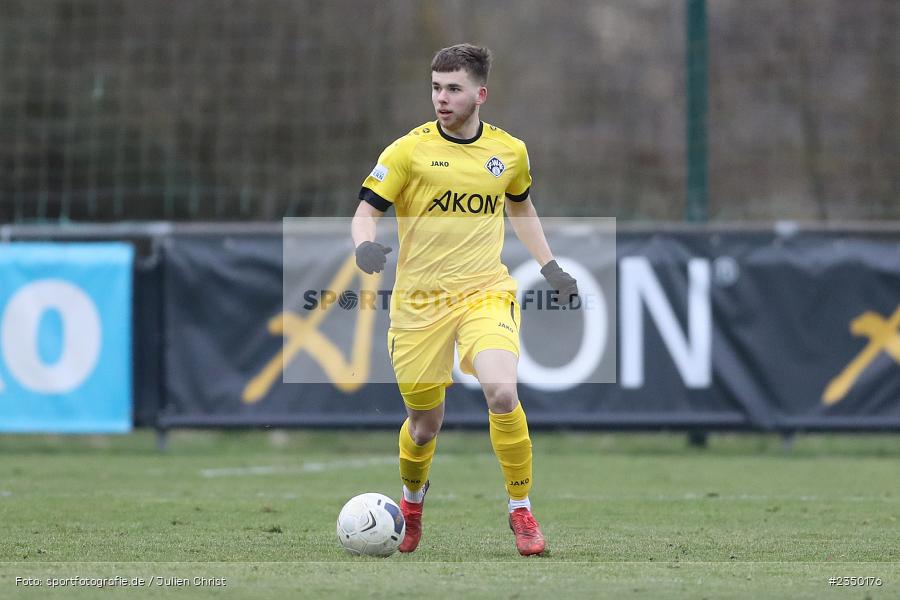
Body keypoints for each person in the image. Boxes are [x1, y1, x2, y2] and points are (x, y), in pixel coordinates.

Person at [350, 43, 577, 556]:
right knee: (424, 424)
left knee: (502, 391)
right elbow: (366, 210)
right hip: (418, 305)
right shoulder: (407, 151)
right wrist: (363, 244)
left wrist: (550, 265)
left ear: (481, 94)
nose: (441, 98)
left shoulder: (509, 152)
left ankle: (521, 510)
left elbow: (521, 208)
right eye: (435, 87)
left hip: (485, 293)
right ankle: (410, 503)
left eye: (453, 88)